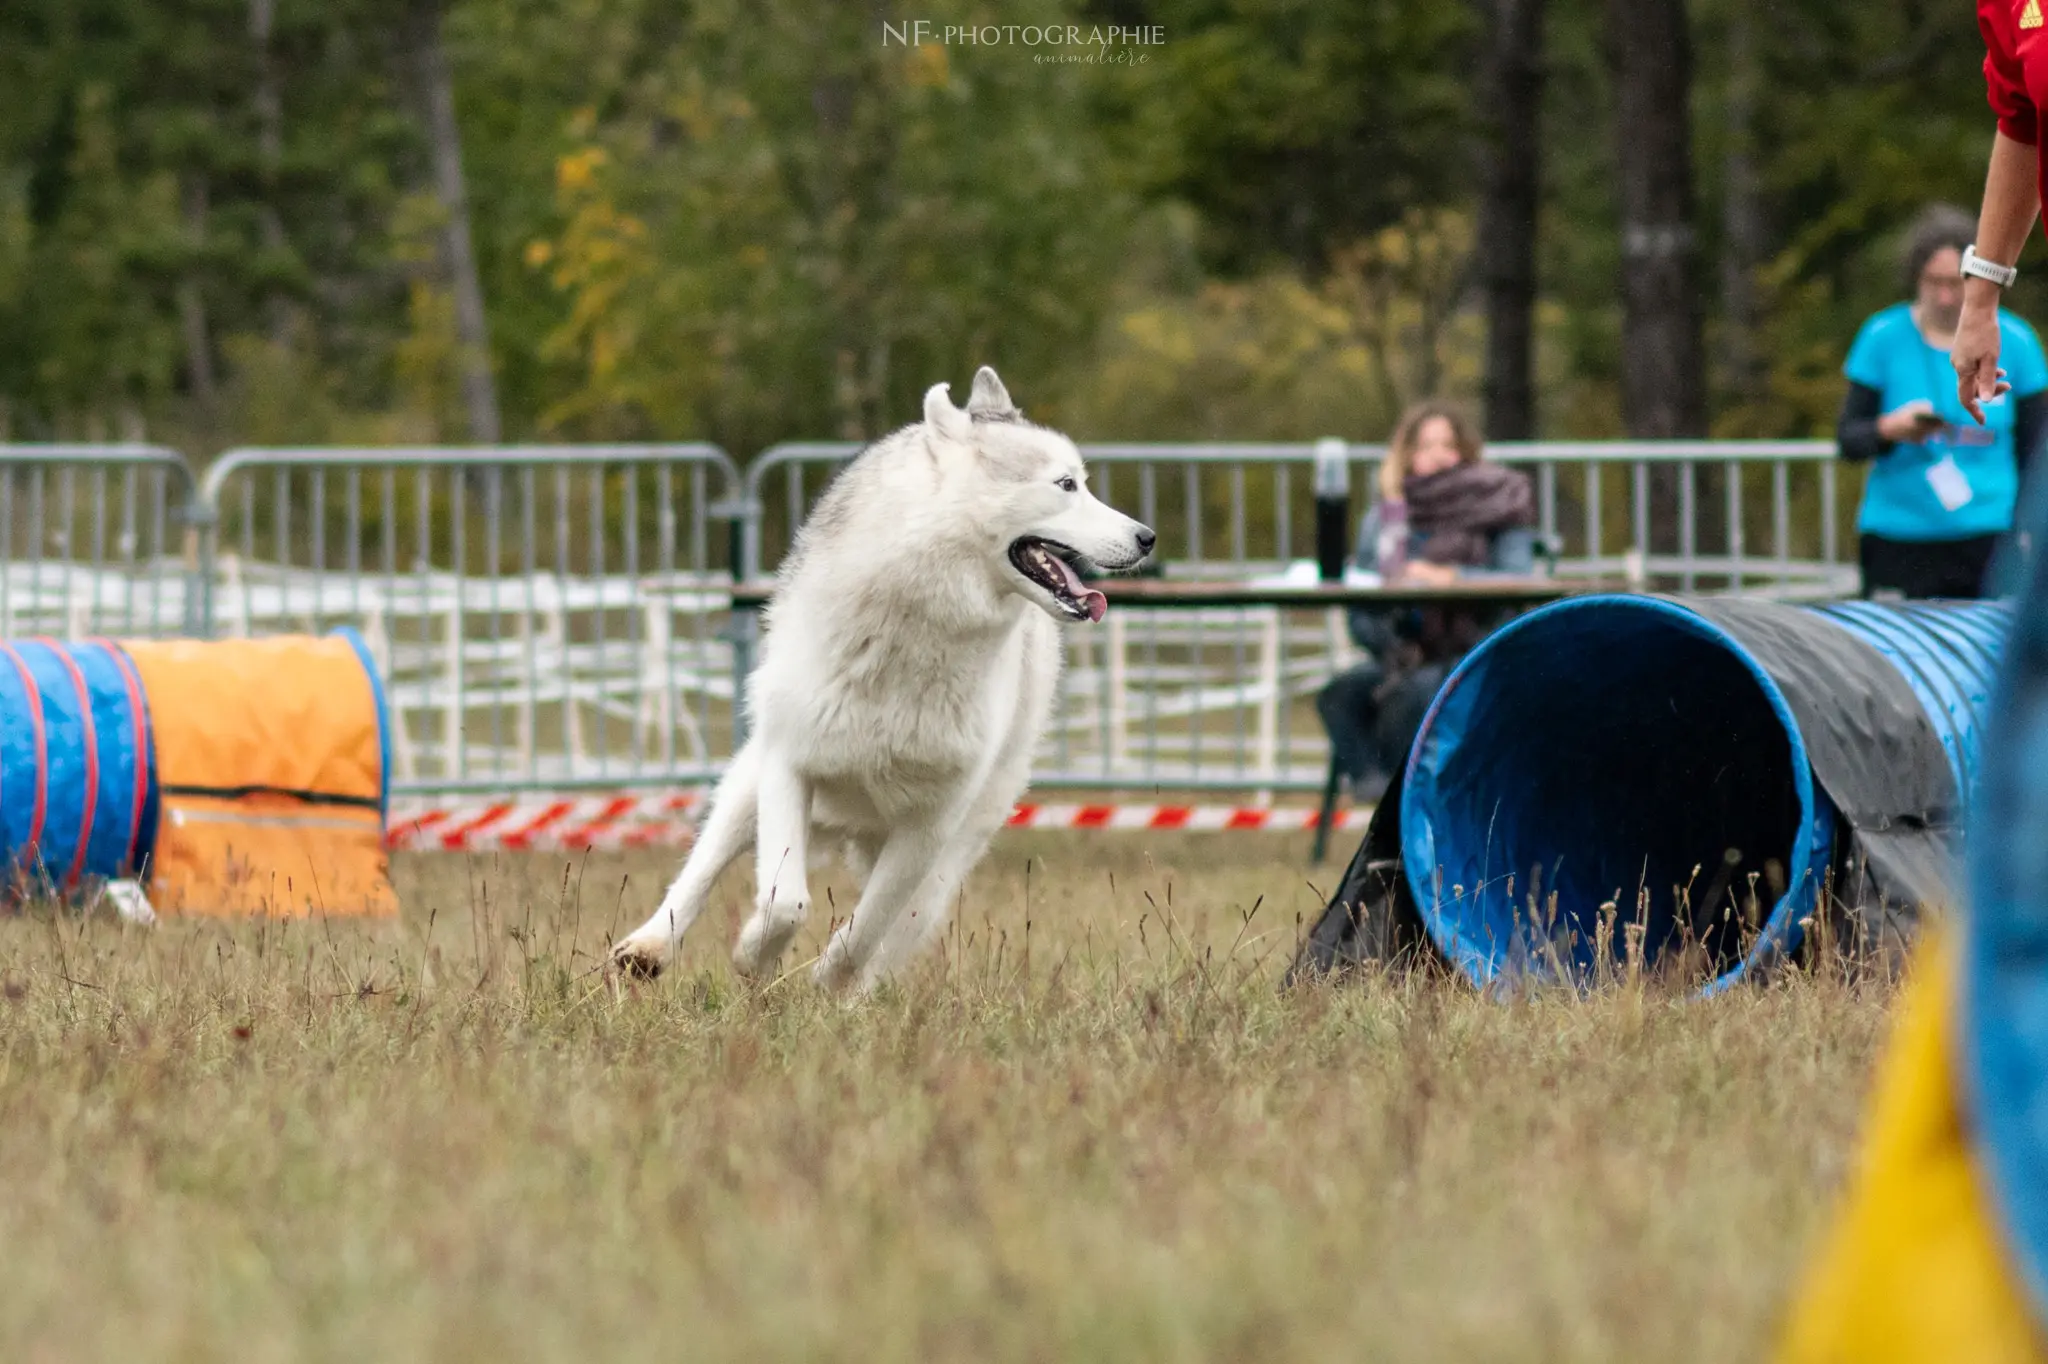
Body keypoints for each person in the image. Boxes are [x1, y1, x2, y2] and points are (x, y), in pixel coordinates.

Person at [1315, 401, 1536, 801]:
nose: (1437, 456)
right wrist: (1388, 630)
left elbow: (1518, 580)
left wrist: (1451, 578)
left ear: (1467, 452)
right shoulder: (1385, 519)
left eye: (1448, 444)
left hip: (1474, 651)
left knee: (1411, 697)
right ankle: (1379, 794)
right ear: (1406, 456)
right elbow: (1360, 607)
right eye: (1425, 445)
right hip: (1402, 654)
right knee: (1340, 695)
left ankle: (1412, 810)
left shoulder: (1501, 504)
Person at [1838, 202, 2048, 599]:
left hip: (1989, 535)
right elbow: (1848, 438)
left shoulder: (2016, 342)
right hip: (1900, 535)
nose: (1946, 297)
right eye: (1934, 283)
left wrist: (2031, 530)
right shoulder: (1882, 336)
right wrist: (1890, 429)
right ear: (1916, 279)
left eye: (1956, 283)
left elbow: (2036, 451)